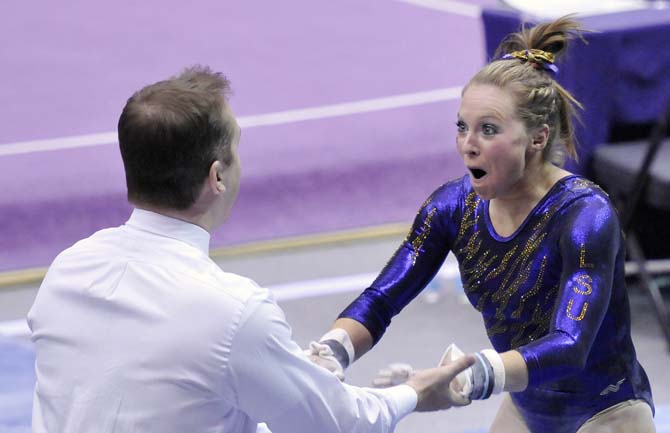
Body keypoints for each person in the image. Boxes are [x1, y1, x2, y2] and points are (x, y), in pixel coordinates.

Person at [26, 66, 476, 433]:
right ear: (217, 176)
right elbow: (339, 424)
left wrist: (290, 369)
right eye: (238, 148)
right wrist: (415, 393)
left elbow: (154, 392)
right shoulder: (233, 312)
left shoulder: (67, 270)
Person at [307, 17, 656, 433]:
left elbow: (570, 345)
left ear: (537, 138)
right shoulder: (451, 207)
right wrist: (333, 350)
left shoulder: (584, 217)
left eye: (488, 129)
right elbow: (383, 297)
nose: (468, 143)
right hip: (527, 408)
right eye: (462, 127)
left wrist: (473, 377)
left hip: (607, 412)